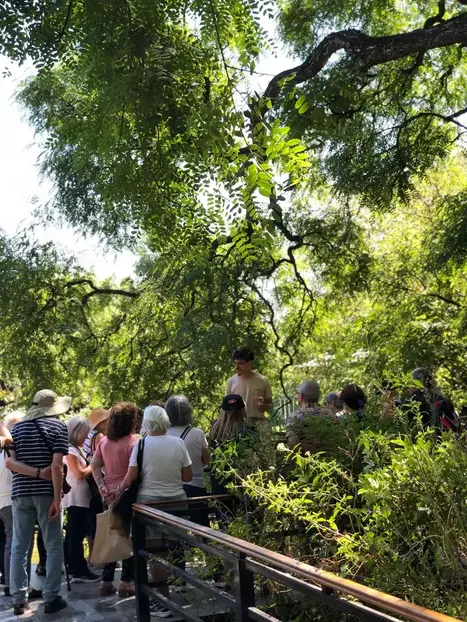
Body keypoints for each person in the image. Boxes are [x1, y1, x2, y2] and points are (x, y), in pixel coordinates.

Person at [119, 405, 192, 619]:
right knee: (172, 550)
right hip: (177, 504)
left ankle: (162, 599)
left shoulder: (141, 445)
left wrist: (118, 490)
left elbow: (131, 477)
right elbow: (187, 476)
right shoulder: (178, 443)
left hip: (148, 505)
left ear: (146, 423)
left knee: (154, 554)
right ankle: (172, 592)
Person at [6, 389, 70, 615]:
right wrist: (57, 498)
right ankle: (51, 598)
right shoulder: (58, 427)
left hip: (20, 493)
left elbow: (11, 463)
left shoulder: (17, 428)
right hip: (46, 493)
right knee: (53, 545)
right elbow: (57, 467)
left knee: (19, 547)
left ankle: (18, 599)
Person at [91, 402, 138, 597]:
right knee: (128, 537)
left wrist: (102, 486)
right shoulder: (133, 441)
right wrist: (120, 489)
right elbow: (134, 472)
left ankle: (106, 580)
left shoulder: (104, 442)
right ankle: (126, 581)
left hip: (108, 495)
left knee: (112, 537)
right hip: (127, 494)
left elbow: (94, 465)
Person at [63, 417, 100, 583]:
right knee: (76, 534)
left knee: (75, 532)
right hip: (76, 497)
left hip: (80, 497)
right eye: (84, 434)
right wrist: (93, 465)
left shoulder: (75, 449)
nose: (86, 438)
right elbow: (79, 474)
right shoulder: (70, 451)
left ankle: (74, 566)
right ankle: (78, 568)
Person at [166, 395, 210, 526]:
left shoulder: (163, 434)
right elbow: (206, 460)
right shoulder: (198, 433)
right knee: (201, 526)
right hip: (196, 486)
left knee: (176, 527)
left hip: (173, 487)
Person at [83, 407, 109, 560]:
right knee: (99, 520)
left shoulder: (88, 436)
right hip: (98, 481)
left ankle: (92, 556)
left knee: (92, 520)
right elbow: (102, 460)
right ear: (102, 423)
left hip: (89, 484)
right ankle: (98, 557)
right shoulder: (99, 437)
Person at [285, 380, 336, 453]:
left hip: (305, 458)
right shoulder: (329, 413)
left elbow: (292, 444)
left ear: (301, 397)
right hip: (329, 457)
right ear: (319, 396)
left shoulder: (294, 416)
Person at [225, 346, 272, 420]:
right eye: (235, 363)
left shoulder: (263, 380)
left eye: (240, 363)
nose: (237, 367)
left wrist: (263, 406)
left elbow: (270, 406)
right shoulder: (230, 381)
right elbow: (226, 407)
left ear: (250, 363)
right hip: (237, 422)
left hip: (258, 422)